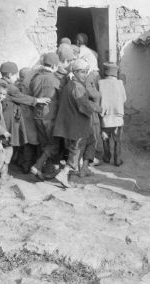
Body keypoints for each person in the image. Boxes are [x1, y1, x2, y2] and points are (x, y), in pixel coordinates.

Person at [53, 59, 101, 188]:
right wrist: (97, 108)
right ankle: (64, 173)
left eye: (86, 72)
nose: (84, 74)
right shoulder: (77, 87)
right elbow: (83, 107)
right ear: (74, 72)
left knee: (91, 141)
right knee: (76, 150)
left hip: (73, 123)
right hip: (77, 124)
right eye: (81, 72)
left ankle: (84, 168)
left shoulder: (71, 84)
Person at [0, 61, 50, 181]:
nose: (17, 78)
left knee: (13, 144)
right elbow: (21, 98)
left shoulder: (1, 83)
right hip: (12, 120)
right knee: (10, 146)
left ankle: (7, 169)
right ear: (9, 74)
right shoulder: (10, 87)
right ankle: (3, 171)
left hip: (12, 119)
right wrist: (37, 100)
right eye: (16, 75)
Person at [29, 52, 62, 180]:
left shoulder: (35, 78)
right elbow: (61, 97)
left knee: (44, 144)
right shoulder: (55, 80)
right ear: (54, 66)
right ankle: (37, 166)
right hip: (50, 116)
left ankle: (47, 170)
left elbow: (32, 93)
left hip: (37, 115)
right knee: (53, 144)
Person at [98, 62, 126, 166]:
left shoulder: (100, 83)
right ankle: (117, 160)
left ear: (105, 72)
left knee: (105, 138)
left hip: (105, 117)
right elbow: (124, 99)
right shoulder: (120, 83)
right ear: (115, 73)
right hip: (118, 117)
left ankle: (106, 157)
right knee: (117, 140)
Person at [17, 67, 39, 174]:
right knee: (29, 143)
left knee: (24, 143)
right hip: (28, 119)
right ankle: (27, 165)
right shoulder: (28, 87)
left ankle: (23, 163)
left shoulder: (16, 86)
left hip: (21, 119)